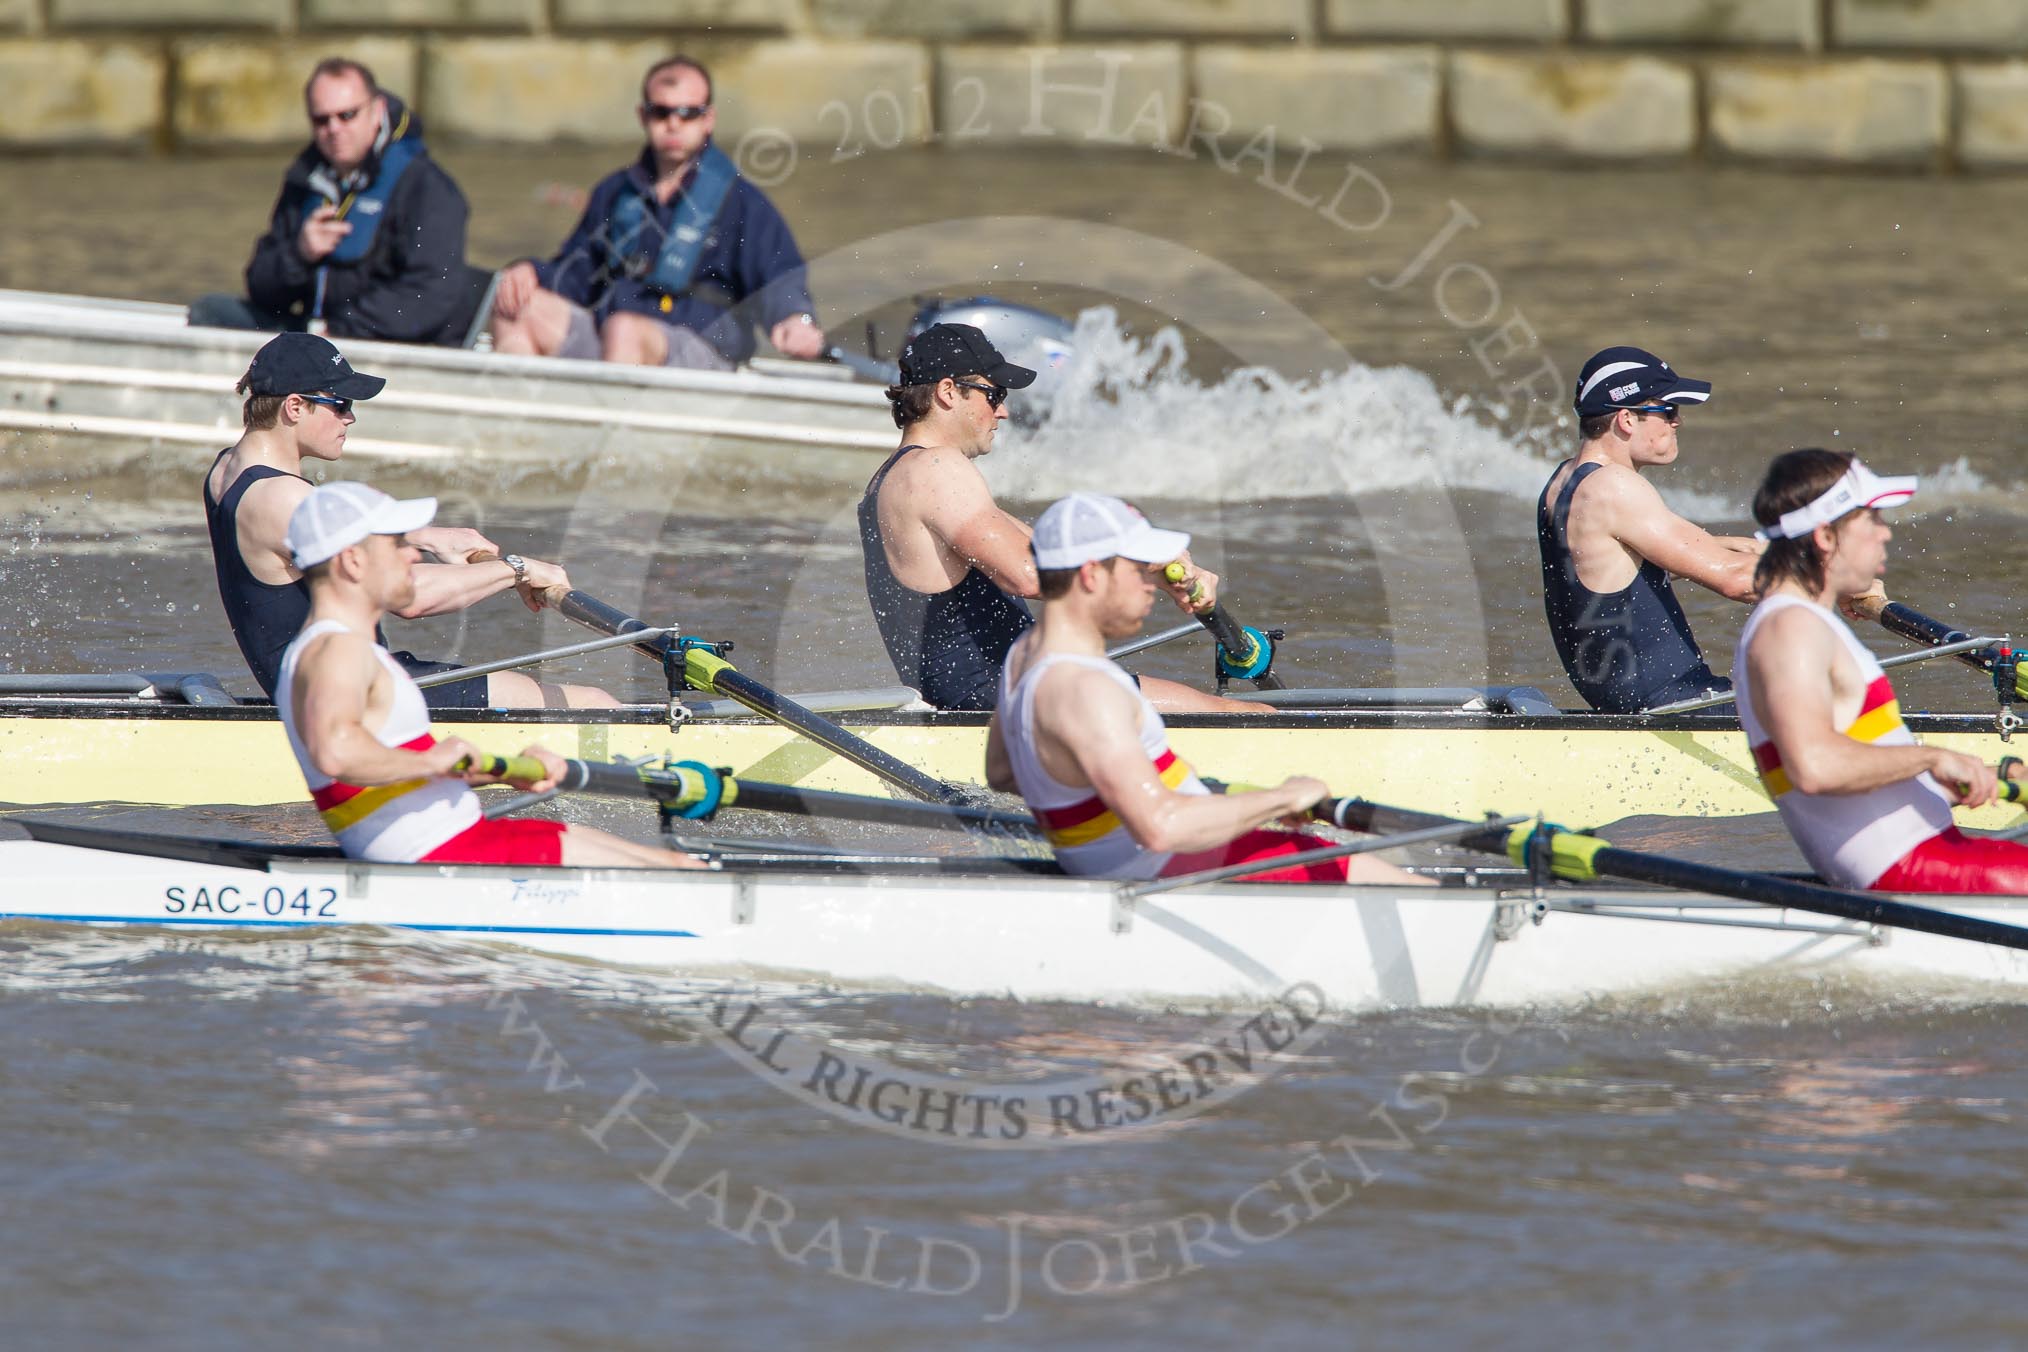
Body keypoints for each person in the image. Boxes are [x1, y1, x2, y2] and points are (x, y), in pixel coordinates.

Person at [985, 494, 1426, 885]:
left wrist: (1109, 795)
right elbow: (1161, 826)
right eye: (1139, 571)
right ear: (1090, 575)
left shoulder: (1025, 656)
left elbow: (1002, 773)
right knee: (1410, 887)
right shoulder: (1088, 691)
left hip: (1131, 861)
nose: (1150, 587)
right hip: (1171, 869)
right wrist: (1280, 798)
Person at [277, 481, 702, 867]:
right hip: (441, 854)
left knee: (681, 864)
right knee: (682, 870)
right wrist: (434, 760)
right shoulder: (336, 649)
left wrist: (503, 770)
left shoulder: (344, 646)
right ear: (352, 561)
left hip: (458, 840)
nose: (412, 554)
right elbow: (336, 754)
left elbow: (395, 774)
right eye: (395, 544)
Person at [861, 323, 1259, 713]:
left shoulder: (892, 479)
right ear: (948, 392)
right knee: (1248, 716)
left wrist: (1161, 571)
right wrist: (1143, 564)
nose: (1003, 411)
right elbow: (1029, 574)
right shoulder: (937, 468)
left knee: (1223, 709)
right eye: (992, 394)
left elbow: (1051, 550)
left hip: (987, 695)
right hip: (1011, 698)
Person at [204, 332, 616, 709]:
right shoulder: (282, 498)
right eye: (340, 405)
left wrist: (429, 537)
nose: (350, 419)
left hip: (316, 685)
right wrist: (517, 569)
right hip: (356, 698)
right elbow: (410, 597)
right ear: (295, 406)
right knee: (594, 702)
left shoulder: (228, 469)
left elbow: (314, 537)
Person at [1735, 449, 2028, 893]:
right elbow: (1814, 767)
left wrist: (1984, 774)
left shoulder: (1802, 621)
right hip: (1909, 871)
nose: (1885, 534)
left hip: (1928, 855)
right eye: (1871, 519)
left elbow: (1861, 783)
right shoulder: (1789, 627)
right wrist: (1932, 756)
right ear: (1825, 537)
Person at [487, 55, 823, 370]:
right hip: (617, 339)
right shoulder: (615, 192)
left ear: (708, 119)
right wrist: (529, 272)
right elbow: (574, 276)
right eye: (661, 112)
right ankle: (522, 422)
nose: (674, 123)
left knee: (624, 331)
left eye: (688, 113)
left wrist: (796, 320)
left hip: (702, 348)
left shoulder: (743, 202)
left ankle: (612, 426)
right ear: (643, 116)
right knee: (516, 307)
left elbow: (781, 279)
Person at [189, 57, 490, 346]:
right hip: (314, 334)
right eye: (321, 120)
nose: (334, 129)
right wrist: (299, 254)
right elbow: (261, 288)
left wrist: (343, 329)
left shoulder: (427, 189)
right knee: (211, 311)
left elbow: (430, 294)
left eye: (347, 115)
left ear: (377, 110)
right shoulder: (305, 180)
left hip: (379, 339)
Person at [1538, 346, 1763, 712]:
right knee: (1841, 699)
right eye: (1668, 411)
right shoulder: (1614, 487)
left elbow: (1620, 568)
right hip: (1672, 707)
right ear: (1627, 419)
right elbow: (1737, 582)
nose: (1677, 423)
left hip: (1629, 701)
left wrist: (1751, 549)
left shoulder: (1564, 481)